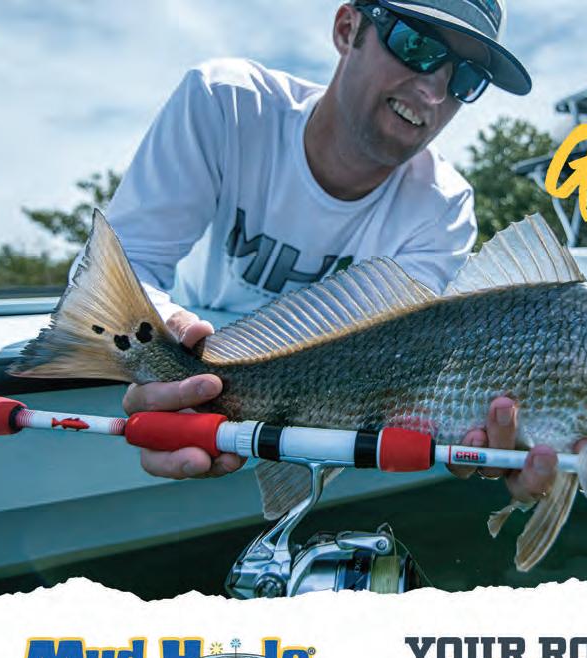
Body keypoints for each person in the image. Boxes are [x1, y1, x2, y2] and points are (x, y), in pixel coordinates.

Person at [110, 0, 560, 503]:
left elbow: (397, 372)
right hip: (197, 346)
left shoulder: (445, 208)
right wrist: (160, 349)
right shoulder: (226, 102)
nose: (435, 91)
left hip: (294, 409)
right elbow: (126, 269)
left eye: (467, 78)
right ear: (348, 29)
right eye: (417, 45)